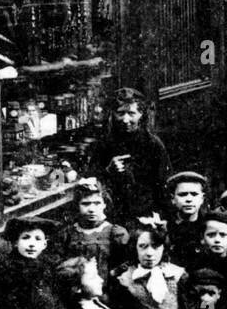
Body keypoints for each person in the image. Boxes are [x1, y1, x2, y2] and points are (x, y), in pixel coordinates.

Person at [88, 87, 171, 221]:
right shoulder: (104, 144)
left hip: (145, 215)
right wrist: (108, 170)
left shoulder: (153, 144)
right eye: (120, 113)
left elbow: (163, 185)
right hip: (110, 214)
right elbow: (90, 180)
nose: (125, 119)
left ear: (141, 114)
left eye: (131, 113)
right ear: (112, 114)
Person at [55, 177, 131, 281]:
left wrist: (113, 274)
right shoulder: (67, 233)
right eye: (85, 204)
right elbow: (58, 265)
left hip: (104, 289)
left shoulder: (115, 233)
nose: (91, 209)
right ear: (77, 205)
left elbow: (129, 261)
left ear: (104, 204)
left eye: (97, 203)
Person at [163, 171, 209, 271]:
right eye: (183, 194)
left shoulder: (209, 226)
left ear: (202, 198)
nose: (189, 199)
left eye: (194, 194)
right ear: (173, 199)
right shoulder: (165, 227)